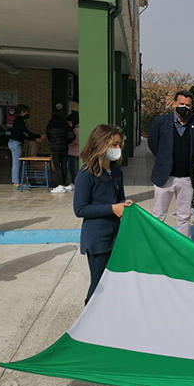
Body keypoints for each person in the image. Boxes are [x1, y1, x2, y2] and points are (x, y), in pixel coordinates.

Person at [74, 124, 133, 304]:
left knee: (113, 282)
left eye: (118, 145)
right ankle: (89, 318)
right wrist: (112, 208)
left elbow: (119, 199)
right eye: (113, 145)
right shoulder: (86, 175)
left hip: (116, 236)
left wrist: (124, 205)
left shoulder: (116, 173)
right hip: (98, 239)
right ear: (100, 144)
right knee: (99, 284)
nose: (117, 149)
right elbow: (80, 209)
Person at [148, 90, 194, 238]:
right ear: (174, 104)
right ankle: (155, 245)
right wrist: (164, 160)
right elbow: (153, 145)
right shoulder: (160, 122)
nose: (184, 107)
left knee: (184, 217)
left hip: (186, 178)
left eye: (188, 105)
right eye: (181, 104)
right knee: (159, 215)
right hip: (164, 177)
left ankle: (183, 250)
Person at [8, 104, 43, 188]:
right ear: (22, 112)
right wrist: (37, 136)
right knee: (16, 163)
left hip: (16, 142)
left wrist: (35, 138)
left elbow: (24, 134)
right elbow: (25, 133)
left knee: (18, 162)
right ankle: (16, 182)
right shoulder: (19, 120)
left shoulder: (18, 120)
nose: (28, 114)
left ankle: (17, 181)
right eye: (27, 112)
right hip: (15, 143)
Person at [46, 111, 75, 194]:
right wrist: (66, 142)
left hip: (54, 149)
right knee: (64, 166)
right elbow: (72, 135)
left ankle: (60, 184)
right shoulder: (65, 125)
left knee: (57, 167)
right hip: (64, 148)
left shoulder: (50, 125)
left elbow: (48, 136)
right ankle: (64, 183)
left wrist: (53, 142)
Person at [66, 110, 80, 189]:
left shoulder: (75, 130)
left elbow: (77, 140)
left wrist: (69, 141)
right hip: (74, 150)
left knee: (72, 167)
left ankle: (75, 182)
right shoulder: (77, 129)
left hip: (73, 150)